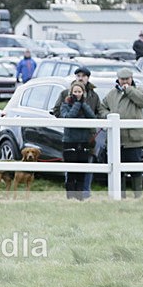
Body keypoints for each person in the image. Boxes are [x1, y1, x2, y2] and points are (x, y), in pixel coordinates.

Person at [51, 67, 103, 199]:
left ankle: (84, 194)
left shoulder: (94, 95)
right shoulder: (65, 94)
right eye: (78, 75)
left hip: (89, 136)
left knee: (87, 165)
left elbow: (98, 112)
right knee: (71, 166)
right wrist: (67, 118)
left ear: (88, 78)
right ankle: (71, 195)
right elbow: (57, 111)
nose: (81, 78)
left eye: (84, 76)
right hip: (71, 135)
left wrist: (101, 120)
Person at [100, 68, 143, 198]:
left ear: (131, 79)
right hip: (116, 139)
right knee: (117, 170)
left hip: (134, 139)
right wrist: (109, 116)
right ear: (118, 79)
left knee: (135, 169)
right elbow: (102, 107)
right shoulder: (112, 94)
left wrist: (129, 90)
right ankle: (120, 196)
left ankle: (138, 196)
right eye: (122, 79)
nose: (124, 82)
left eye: (127, 79)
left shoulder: (139, 91)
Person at [60, 81, 97, 200]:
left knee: (82, 172)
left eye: (79, 92)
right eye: (75, 92)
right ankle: (70, 197)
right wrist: (76, 104)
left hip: (84, 142)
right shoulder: (65, 105)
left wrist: (83, 104)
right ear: (71, 92)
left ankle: (80, 197)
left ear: (83, 93)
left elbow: (92, 117)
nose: (77, 94)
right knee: (71, 172)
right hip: (70, 141)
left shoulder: (85, 105)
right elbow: (69, 117)